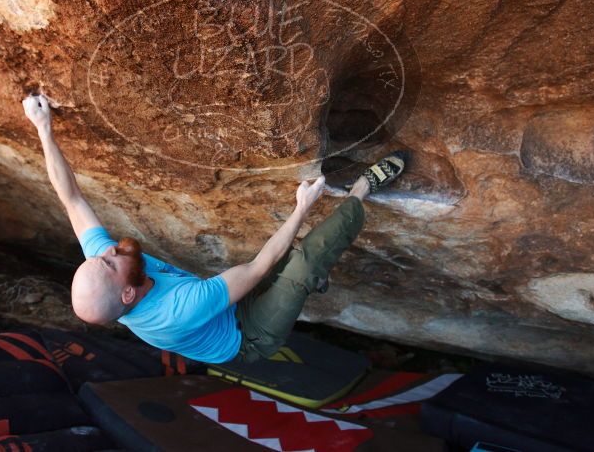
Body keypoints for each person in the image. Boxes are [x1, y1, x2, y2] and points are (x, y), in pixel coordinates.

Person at [23, 93, 406, 364]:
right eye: (108, 262)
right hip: (249, 335)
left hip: (223, 305)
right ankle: (362, 190)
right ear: (127, 294)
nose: (106, 251)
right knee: (303, 261)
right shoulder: (177, 311)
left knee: (287, 262)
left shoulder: (108, 270)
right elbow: (258, 267)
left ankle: (308, 279)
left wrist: (43, 128)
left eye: (100, 257)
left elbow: (70, 198)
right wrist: (302, 208)